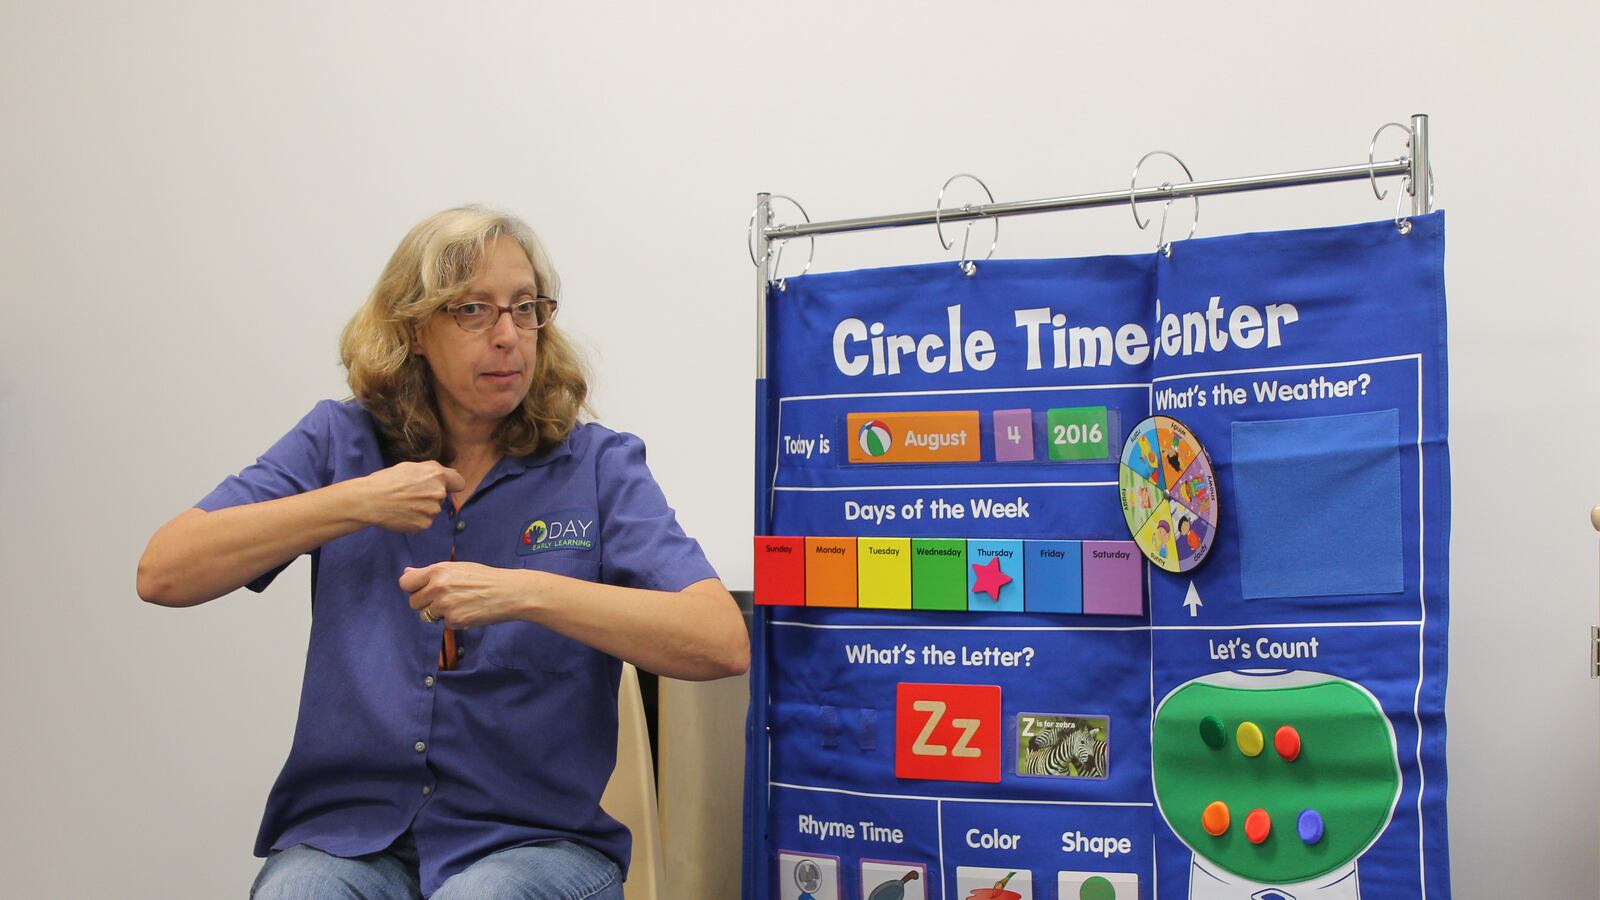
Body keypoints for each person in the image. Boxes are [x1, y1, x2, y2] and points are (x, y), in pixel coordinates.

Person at [137, 206, 750, 899]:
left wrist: (524, 592)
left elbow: (720, 642)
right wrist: (356, 501)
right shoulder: (340, 443)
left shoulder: (597, 465)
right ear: (414, 330)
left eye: (526, 309)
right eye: (474, 311)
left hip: (534, 844)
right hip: (352, 838)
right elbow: (164, 571)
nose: (508, 336)